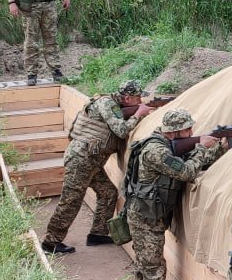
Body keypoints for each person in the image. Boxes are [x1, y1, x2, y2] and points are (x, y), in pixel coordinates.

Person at [123, 108, 224, 280]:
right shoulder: (156, 151)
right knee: (153, 269)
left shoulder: (165, 145)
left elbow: (191, 162)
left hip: (148, 215)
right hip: (146, 219)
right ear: (175, 131)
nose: (192, 132)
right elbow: (188, 171)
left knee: (145, 266)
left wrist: (219, 148)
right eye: (188, 129)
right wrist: (201, 147)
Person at [41, 79, 153, 255]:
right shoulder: (106, 103)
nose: (141, 101)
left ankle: (98, 234)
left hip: (91, 160)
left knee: (108, 192)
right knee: (71, 200)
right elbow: (122, 131)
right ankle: (51, 242)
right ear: (128, 98)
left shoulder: (114, 105)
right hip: (81, 159)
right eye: (138, 97)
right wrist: (138, 114)